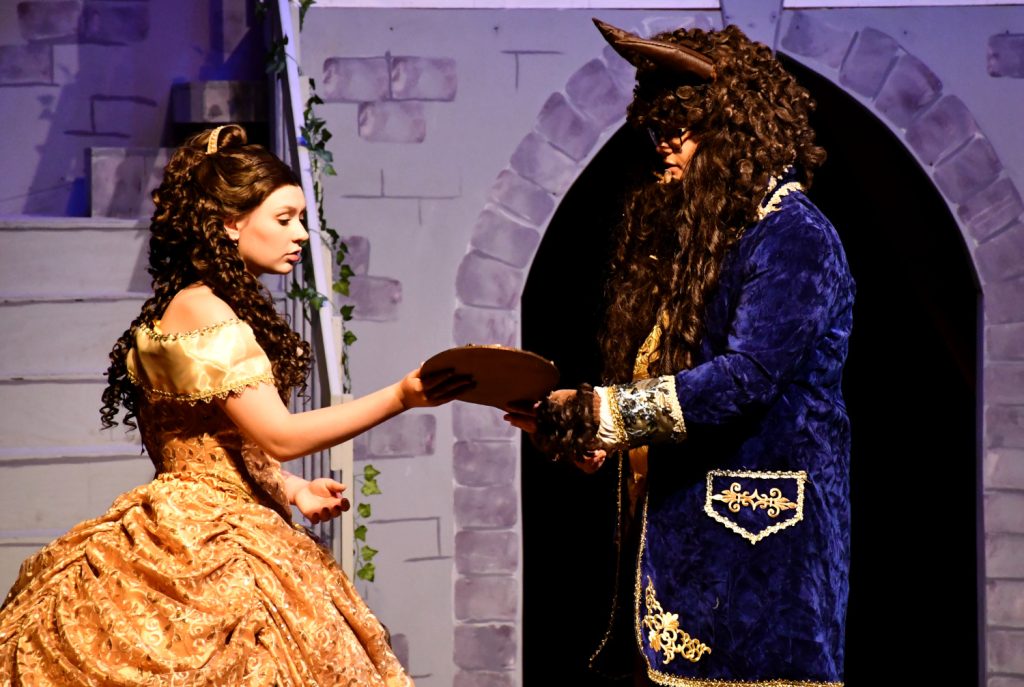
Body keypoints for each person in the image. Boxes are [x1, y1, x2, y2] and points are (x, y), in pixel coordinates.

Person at [0, 124, 467, 686]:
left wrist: (291, 488)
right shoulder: (205, 311)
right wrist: (400, 396)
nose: (300, 234)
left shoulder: (203, 304)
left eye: (301, 219)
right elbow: (279, 436)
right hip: (205, 539)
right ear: (228, 222)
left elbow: (214, 439)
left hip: (219, 514)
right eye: (284, 218)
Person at [508, 21, 854, 687]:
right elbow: (667, 382)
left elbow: (746, 379)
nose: (664, 143)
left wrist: (602, 413)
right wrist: (598, 436)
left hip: (757, 565)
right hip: (686, 551)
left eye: (684, 127)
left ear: (738, 132)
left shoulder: (794, 236)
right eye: (657, 127)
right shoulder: (711, 238)